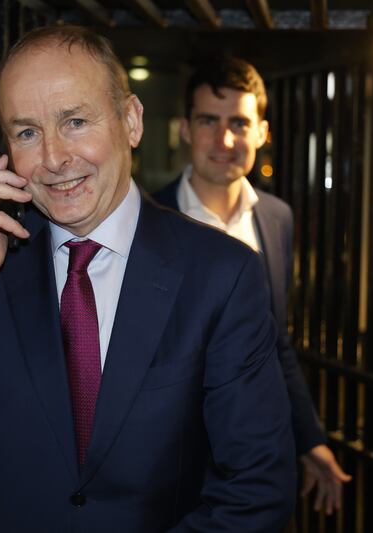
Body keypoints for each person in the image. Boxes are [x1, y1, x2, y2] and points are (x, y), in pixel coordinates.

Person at [0, 26, 296, 532]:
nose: (54, 158)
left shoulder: (221, 274)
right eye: (27, 132)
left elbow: (257, 488)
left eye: (75, 122)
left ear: (131, 121)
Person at [152, 56, 351, 515]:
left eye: (239, 123)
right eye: (208, 121)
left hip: (255, 464)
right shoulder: (148, 221)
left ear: (261, 132)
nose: (225, 140)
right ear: (185, 128)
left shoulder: (276, 218)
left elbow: (276, 342)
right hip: (169, 467)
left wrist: (310, 439)